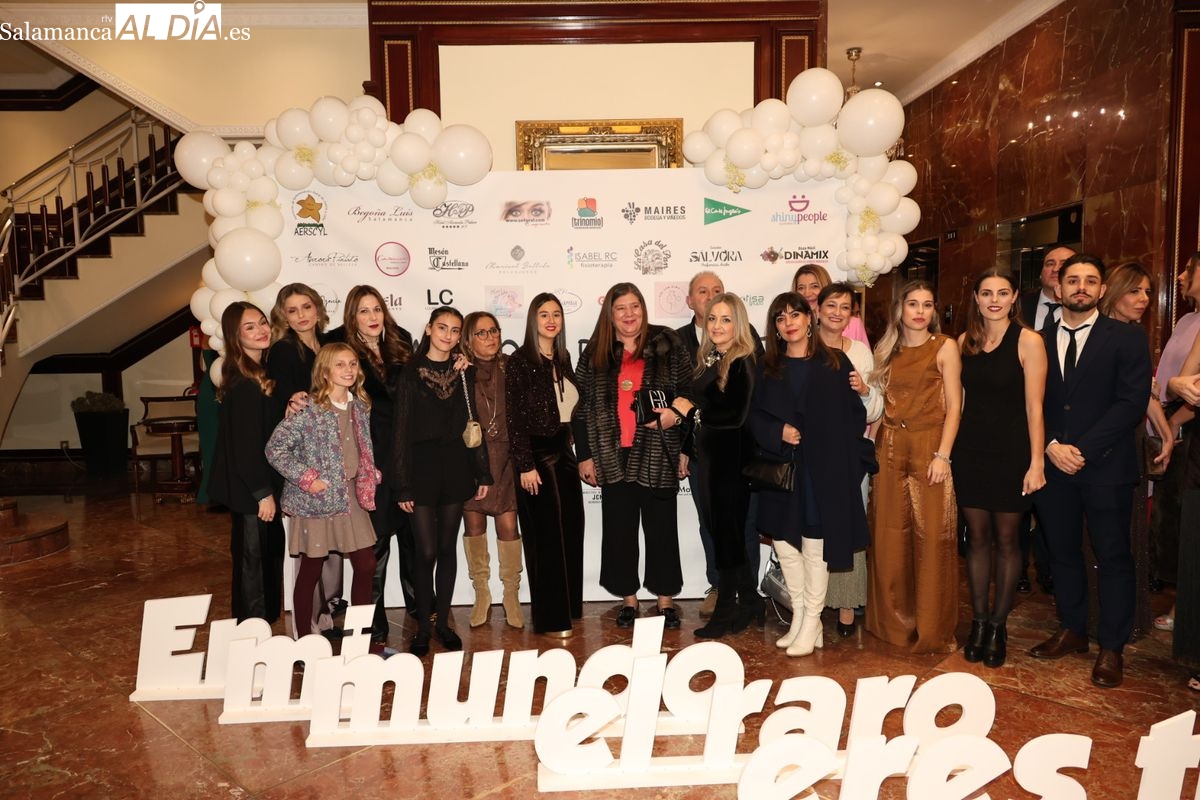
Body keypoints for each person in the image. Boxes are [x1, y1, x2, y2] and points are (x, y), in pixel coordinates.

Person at [1028, 254, 1151, 689]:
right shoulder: (1036, 340)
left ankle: (1112, 647)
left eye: (1090, 280)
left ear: (1101, 289)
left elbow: (1131, 402)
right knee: (1061, 552)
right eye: (1072, 280)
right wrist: (1050, 446)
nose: (1081, 287)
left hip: (1105, 465)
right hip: (1052, 465)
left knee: (1113, 556)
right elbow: (1029, 403)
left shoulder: (1127, 338)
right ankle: (1073, 629)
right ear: (1057, 288)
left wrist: (1082, 449)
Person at [749, 292, 869, 656]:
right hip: (782, 470)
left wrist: (826, 440)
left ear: (809, 318)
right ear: (775, 328)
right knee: (786, 546)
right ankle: (802, 619)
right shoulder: (767, 366)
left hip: (822, 472)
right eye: (780, 317)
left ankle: (813, 619)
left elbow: (855, 416)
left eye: (795, 315)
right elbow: (753, 416)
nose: (789, 323)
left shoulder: (834, 362)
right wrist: (778, 432)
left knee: (815, 549)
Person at [573, 282, 695, 630]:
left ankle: (665, 601)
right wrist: (584, 456)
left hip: (659, 453)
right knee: (619, 533)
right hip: (611, 456)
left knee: (662, 531)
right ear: (610, 315)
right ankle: (628, 600)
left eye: (635, 306)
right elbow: (580, 409)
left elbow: (690, 395)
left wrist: (683, 441)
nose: (629, 314)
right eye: (621, 308)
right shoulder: (596, 353)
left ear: (643, 308)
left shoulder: (668, 343)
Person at [954, 269, 1047, 669]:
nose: (994, 300)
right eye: (987, 293)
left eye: (1002, 293)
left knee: (1008, 541)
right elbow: (957, 403)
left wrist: (1037, 461)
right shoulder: (965, 342)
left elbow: (1035, 407)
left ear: (1014, 298)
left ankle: (998, 625)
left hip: (1012, 453)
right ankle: (978, 622)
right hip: (970, 451)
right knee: (975, 539)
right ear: (976, 298)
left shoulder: (1029, 341)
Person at [866, 280, 963, 654]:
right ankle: (892, 625)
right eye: (913, 304)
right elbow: (880, 407)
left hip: (929, 448)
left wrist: (943, 455)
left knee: (933, 538)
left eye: (927, 304)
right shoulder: (886, 350)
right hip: (889, 448)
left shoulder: (945, 346)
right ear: (900, 309)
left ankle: (932, 627)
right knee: (888, 537)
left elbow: (954, 406)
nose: (920, 311)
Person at [264, 343, 381, 649]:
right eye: (340, 364)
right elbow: (275, 449)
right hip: (316, 503)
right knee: (311, 569)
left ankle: (359, 641)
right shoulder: (310, 409)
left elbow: (360, 448)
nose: (348, 370)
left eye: (353, 364)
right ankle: (304, 642)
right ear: (325, 371)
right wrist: (308, 479)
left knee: (366, 564)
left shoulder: (360, 407)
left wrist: (370, 472)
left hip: (351, 498)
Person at [392, 306, 491, 656]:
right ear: (428, 329)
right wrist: (402, 484)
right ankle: (422, 626)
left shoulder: (464, 371)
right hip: (420, 469)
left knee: (447, 548)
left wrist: (482, 471)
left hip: (456, 466)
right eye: (442, 328)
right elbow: (401, 430)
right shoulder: (409, 373)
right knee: (426, 551)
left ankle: (444, 624)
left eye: (454, 330)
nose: (448, 335)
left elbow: (473, 424)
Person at [326, 285, 415, 649]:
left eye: (377, 309)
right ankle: (372, 623)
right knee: (375, 543)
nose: (372, 316)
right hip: (370, 457)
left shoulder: (401, 340)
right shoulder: (339, 346)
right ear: (352, 315)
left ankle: (419, 609)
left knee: (412, 537)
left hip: (407, 453)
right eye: (363, 311)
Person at [674, 271, 763, 618]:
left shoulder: (744, 355)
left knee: (738, 530)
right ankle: (732, 597)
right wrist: (687, 447)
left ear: (737, 322)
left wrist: (691, 411)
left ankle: (743, 599)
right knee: (715, 528)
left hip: (733, 459)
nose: (717, 324)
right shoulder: (705, 355)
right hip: (706, 457)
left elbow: (735, 414)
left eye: (725, 319)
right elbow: (704, 406)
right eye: (712, 318)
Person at [1098, 262, 1173, 641]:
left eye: (1147, 292)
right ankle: (1095, 616)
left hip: (1127, 443)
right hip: (1088, 444)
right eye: (1135, 291)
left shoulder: (1134, 336)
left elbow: (1142, 393)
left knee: (1125, 536)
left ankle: (1124, 620)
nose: (1144, 299)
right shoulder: (1093, 331)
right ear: (1114, 292)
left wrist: (1165, 432)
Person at [506, 293, 585, 636]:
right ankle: (551, 619)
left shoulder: (563, 358)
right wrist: (525, 465)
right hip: (536, 457)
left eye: (556, 314)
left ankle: (569, 608)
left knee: (571, 530)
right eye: (543, 314)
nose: (551, 320)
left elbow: (570, 407)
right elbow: (515, 419)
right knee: (547, 538)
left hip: (563, 453)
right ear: (532, 320)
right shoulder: (520, 361)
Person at [266, 284, 339, 637]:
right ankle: (306, 629)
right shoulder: (283, 350)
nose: (301, 315)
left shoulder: (328, 344)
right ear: (283, 316)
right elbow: (283, 397)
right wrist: (291, 399)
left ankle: (325, 617)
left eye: (306, 307)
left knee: (332, 548)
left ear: (318, 308)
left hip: (333, 456)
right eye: (292, 310)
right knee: (312, 549)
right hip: (305, 461)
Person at [207, 301, 285, 624]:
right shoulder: (244, 383)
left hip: (257, 487)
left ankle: (260, 629)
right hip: (251, 490)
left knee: (265, 559)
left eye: (263, 322)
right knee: (253, 567)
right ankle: (252, 634)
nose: (261, 330)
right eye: (249, 327)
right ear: (235, 337)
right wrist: (262, 493)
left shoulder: (257, 375)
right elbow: (244, 447)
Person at [814, 282, 884, 638]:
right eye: (831, 305)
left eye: (845, 307)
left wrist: (865, 390)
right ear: (818, 309)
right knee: (812, 530)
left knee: (848, 527)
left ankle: (846, 605)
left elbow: (875, 409)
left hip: (848, 457)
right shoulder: (802, 346)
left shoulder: (859, 352)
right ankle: (810, 606)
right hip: (809, 454)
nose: (837, 313)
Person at [1017, 244, 1076, 595]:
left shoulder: (1083, 311)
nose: (1055, 268)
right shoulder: (1018, 305)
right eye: (1049, 263)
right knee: (1019, 499)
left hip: (1058, 418)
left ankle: (1048, 566)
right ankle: (1018, 568)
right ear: (1040, 272)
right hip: (1018, 416)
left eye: (1063, 264)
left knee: (1052, 500)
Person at [460, 311, 524, 630]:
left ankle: (511, 594)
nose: (490, 338)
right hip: (472, 458)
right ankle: (481, 593)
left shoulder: (512, 367)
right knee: (473, 527)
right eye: (481, 333)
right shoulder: (461, 371)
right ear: (468, 340)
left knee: (508, 527)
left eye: (494, 331)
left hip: (508, 458)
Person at [1150, 252, 1200, 624]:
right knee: (1175, 520)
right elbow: (1178, 380)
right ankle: (1180, 604)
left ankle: (1183, 609)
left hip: (1188, 428)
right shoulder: (1186, 320)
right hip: (1173, 422)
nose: (1181, 276)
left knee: (1188, 520)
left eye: (1189, 269)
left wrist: (1174, 423)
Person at [792, 263, 869, 347]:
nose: (807, 293)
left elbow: (862, 353)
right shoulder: (790, 323)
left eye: (814, 286)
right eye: (801, 288)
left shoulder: (853, 323)